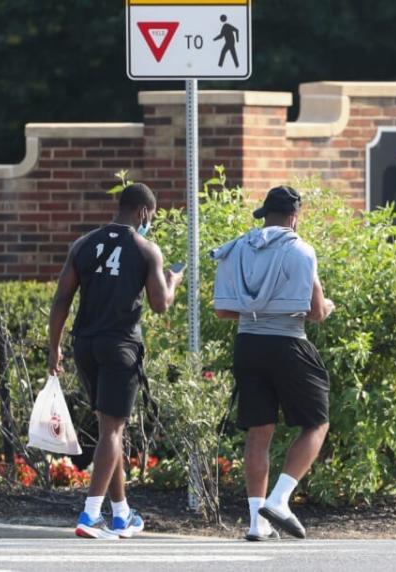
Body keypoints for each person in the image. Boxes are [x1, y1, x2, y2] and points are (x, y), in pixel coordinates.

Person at [48, 183, 184, 539]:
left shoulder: (83, 245)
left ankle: (122, 514)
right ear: (142, 212)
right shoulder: (146, 249)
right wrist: (173, 281)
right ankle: (91, 514)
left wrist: (54, 347)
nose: (148, 222)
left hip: (86, 345)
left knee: (110, 428)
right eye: (149, 217)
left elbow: (61, 299)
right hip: (121, 346)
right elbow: (160, 304)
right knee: (112, 429)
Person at [211, 186, 334, 541]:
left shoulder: (237, 248)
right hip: (288, 342)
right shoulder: (301, 251)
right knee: (316, 423)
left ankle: (256, 522)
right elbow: (315, 313)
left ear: (266, 214)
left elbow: (222, 310)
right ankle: (279, 500)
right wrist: (326, 307)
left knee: (259, 431)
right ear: (294, 217)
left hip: (247, 343)